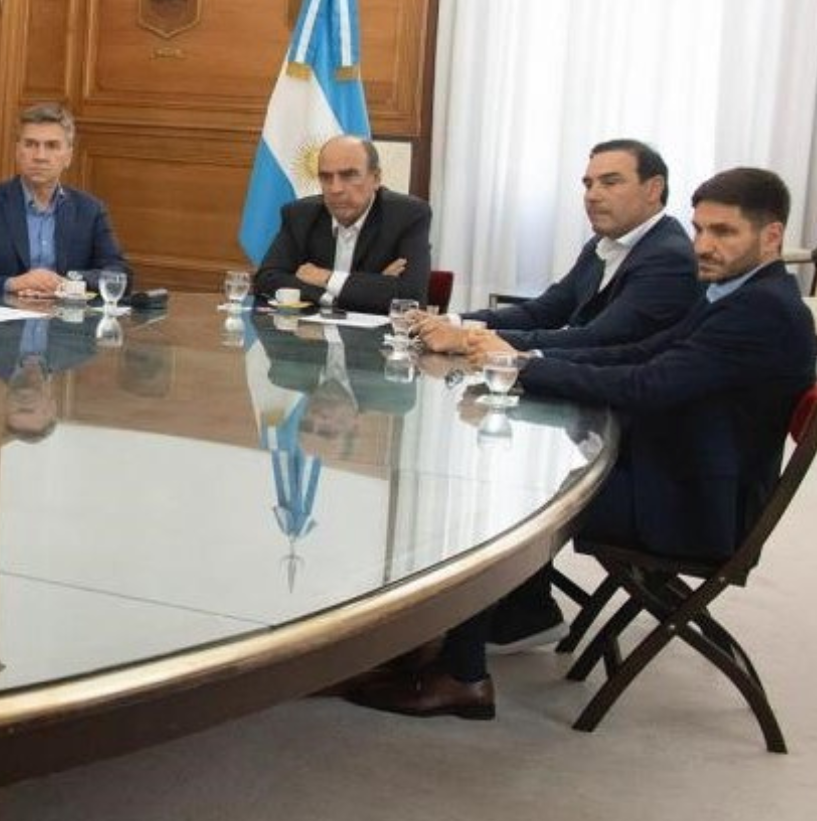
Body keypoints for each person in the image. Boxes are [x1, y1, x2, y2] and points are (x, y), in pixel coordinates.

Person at [347, 167, 816, 720]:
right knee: (508, 470)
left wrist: (517, 364)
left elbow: (647, 385)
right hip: (681, 470)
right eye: (700, 229)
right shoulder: (733, 290)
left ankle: (463, 674)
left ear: (771, 236)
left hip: (693, 506)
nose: (705, 246)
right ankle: (459, 632)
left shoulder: (761, 309)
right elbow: (639, 353)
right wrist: (522, 361)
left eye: (724, 233)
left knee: (496, 501)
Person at [416, 139, 699, 354]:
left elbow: (597, 338)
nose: (592, 196)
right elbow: (542, 313)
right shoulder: (601, 244)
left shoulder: (668, 257)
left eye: (610, 183)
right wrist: (449, 321)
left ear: (653, 189)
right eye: (588, 184)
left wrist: (468, 339)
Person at [0, 102, 131, 297]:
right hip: (1, 323)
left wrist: (67, 283)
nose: (40, 156)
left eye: (52, 146)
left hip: (65, 323)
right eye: (30, 144)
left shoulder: (89, 210)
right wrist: (12, 284)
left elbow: (119, 274)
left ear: (68, 157)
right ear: (17, 151)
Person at [251, 135, 431, 314]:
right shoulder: (300, 214)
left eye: (349, 176)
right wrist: (367, 287)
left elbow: (411, 298)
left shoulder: (407, 215)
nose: (335, 189)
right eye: (326, 177)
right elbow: (267, 280)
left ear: (376, 178)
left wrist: (326, 278)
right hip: (310, 336)